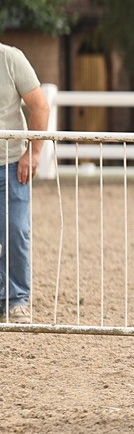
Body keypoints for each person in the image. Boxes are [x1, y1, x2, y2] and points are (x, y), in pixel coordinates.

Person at [0, 42, 49, 323]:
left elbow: (40, 106)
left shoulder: (11, 59)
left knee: (15, 230)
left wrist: (35, 152)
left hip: (10, 163)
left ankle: (17, 299)